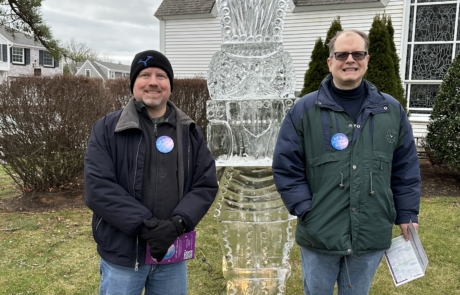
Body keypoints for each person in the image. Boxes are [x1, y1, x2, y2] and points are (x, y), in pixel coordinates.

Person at [272, 29, 421, 295]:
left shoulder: (391, 111)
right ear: (330, 62)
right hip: (320, 231)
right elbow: (286, 165)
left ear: (367, 59)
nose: (350, 59)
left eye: (358, 54)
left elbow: (405, 167)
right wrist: (306, 209)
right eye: (341, 54)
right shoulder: (304, 111)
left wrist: (407, 213)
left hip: (371, 229)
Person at [84, 50, 218, 295]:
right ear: (133, 83)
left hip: (172, 255)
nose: (153, 82)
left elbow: (205, 183)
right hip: (123, 257)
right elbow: (98, 188)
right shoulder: (106, 129)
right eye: (145, 75)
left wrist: (178, 223)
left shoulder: (189, 131)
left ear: (170, 85)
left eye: (161, 75)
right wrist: (145, 226)